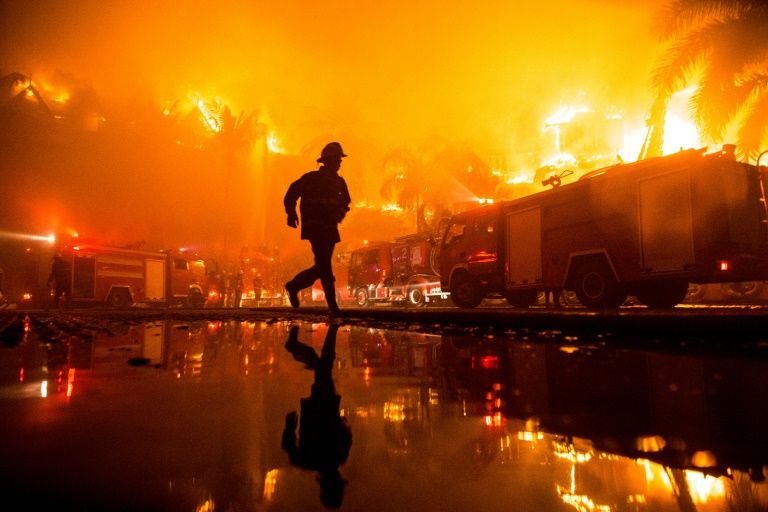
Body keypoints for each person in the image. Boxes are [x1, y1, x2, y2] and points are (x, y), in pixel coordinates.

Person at [282, 324, 351, 509]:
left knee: (324, 366)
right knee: (323, 366)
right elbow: (289, 446)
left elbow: (346, 434)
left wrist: (289, 428)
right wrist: (290, 427)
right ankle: (303, 344)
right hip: (316, 407)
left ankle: (329, 330)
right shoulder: (307, 461)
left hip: (325, 405)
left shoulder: (338, 456)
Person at [284, 142, 351, 316]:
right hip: (315, 228)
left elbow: (346, 202)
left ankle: (294, 285)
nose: (339, 163)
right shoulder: (311, 178)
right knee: (325, 266)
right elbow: (291, 193)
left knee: (321, 267)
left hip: (330, 229)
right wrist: (291, 213)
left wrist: (340, 214)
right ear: (327, 161)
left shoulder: (339, 182)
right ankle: (333, 307)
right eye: (337, 159)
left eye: (339, 160)